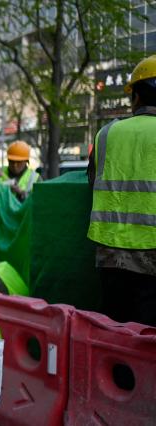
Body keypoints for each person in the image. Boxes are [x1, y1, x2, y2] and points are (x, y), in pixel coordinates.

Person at [87, 55, 156, 327]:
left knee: (113, 328)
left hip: (111, 251)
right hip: (152, 252)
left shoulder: (106, 133)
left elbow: (92, 181)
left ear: (136, 97)